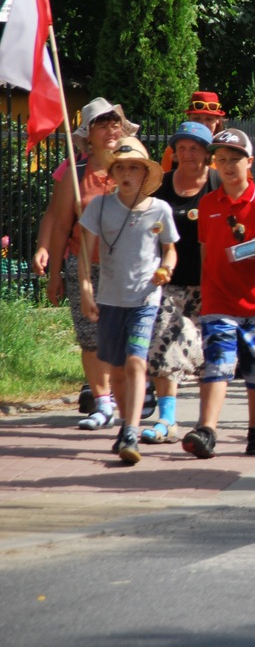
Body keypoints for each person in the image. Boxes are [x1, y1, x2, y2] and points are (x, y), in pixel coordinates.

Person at [183, 129, 255, 459]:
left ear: (250, 162)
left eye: (235, 159)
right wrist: (206, 290)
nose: (228, 166)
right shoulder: (208, 203)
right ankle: (207, 430)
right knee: (217, 362)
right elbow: (205, 250)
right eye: (222, 160)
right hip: (219, 301)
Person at [33, 98, 137, 429]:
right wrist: (54, 274)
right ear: (87, 135)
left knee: (127, 336)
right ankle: (103, 403)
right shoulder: (75, 176)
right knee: (91, 338)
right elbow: (61, 224)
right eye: (101, 125)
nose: (110, 130)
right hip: (84, 266)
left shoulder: (135, 167)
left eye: (114, 123)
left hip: (127, 268)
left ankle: (130, 395)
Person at [78, 137, 179, 464]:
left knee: (136, 361)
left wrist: (166, 269)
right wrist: (85, 290)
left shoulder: (159, 209)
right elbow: (84, 253)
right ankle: (125, 423)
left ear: (144, 173)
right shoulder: (99, 206)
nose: (126, 174)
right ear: (112, 173)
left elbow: (170, 250)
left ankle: (132, 430)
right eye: (120, 168)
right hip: (110, 299)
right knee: (117, 371)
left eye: (133, 167)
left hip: (145, 300)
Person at [142, 122, 221, 444]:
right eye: (182, 148)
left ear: (207, 153)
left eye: (195, 148)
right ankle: (168, 420)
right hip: (169, 283)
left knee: (207, 353)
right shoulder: (160, 187)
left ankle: (205, 423)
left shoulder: (217, 184)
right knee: (163, 345)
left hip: (210, 284)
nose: (188, 154)